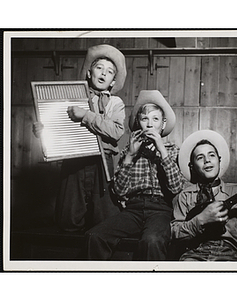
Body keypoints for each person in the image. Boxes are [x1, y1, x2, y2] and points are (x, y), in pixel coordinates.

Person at [33, 44, 127, 232]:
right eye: (99, 67)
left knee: (104, 219)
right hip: (73, 163)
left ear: (112, 82)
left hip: (102, 165)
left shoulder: (115, 103)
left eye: (109, 72)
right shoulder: (72, 97)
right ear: (89, 72)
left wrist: (86, 115)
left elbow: (116, 131)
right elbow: (59, 128)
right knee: (68, 218)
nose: (103, 73)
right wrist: (43, 130)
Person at [85, 90, 184, 260]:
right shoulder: (129, 151)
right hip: (133, 209)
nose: (150, 124)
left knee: (152, 241)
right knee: (95, 236)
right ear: (139, 123)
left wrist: (162, 151)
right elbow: (119, 191)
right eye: (145, 119)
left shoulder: (172, 151)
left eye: (155, 119)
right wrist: (130, 156)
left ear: (163, 124)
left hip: (160, 210)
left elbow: (176, 187)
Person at [171, 130, 237, 261]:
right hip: (193, 253)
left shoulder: (236, 193)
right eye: (200, 157)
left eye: (211, 155)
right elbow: (175, 234)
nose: (207, 160)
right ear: (192, 166)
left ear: (219, 161)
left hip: (228, 254)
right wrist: (200, 220)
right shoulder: (185, 196)